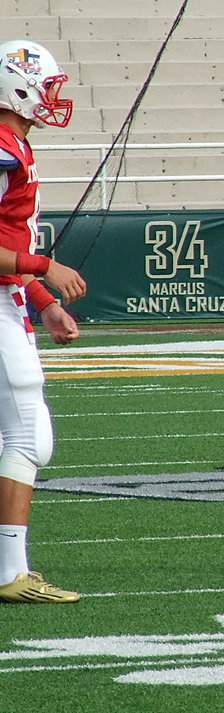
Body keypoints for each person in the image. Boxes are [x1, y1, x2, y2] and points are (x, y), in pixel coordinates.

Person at [0, 40, 88, 603]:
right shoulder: (3, 151)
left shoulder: (14, 147)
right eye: (46, 86)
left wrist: (40, 297)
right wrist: (45, 267)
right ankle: (11, 573)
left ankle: (11, 569)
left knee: (23, 434)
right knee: (29, 434)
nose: (53, 97)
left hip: (8, 300)